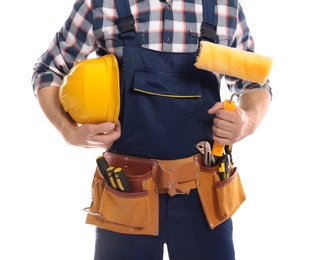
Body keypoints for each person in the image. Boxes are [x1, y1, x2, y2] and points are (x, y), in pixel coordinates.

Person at [32, 0, 272, 259]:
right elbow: (48, 70)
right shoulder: (102, 5)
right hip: (126, 193)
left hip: (204, 198)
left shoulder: (224, 7)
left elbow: (255, 84)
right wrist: (69, 132)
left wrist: (247, 121)